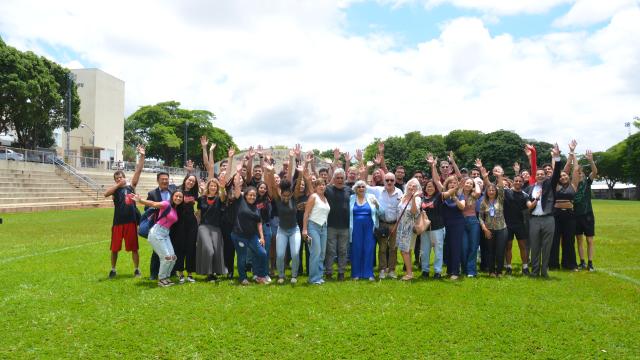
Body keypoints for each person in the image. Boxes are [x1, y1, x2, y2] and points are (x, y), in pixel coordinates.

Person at [103, 145, 145, 279]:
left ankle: (137, 269)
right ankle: (113, 269)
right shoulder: (115, 190)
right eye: (116, 178)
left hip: (131, 222)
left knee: (134, 248)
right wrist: (117, 185)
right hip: (118, 223)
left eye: (120, 177)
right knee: (114, 248)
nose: (118, 179)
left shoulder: (131, 187)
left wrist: (142, 156)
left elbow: (138, 171)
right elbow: (105, 194)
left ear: (124, 177)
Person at [265, 157, 306, 284]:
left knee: (294, 254)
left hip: (294, 230)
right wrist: (271, 173)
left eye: (288, 195)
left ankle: (294, 275)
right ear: (281, 194)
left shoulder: (294, 199)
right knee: (280, 254)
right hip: (282, 231)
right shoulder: (277, 199)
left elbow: (298, 186)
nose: (286, 197)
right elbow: (272, 187)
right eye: (284, 195)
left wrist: (301, 174)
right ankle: (281, 275)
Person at [133, 190, 184, 287]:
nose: (178, 198)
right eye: (176, 196)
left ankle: (166, 277)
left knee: (173, 257)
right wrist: (140, 200)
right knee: (166, 257)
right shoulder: (166, 204)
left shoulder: (175, 209)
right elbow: (153, 203)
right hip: (157, 232)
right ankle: (161, 279)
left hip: (165, 233)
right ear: (172, 196)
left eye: (180, 197)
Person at [527, 143, 562, 278]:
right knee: (535, 247)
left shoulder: (550, 184)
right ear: (535, 176)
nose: (540, 175)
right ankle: (535, 271)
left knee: (547, 247)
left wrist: (557, 158)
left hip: (548, 219)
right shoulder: (530, 188)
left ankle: (544, 271)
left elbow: (557, 172)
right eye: (538, 174)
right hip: (534, 219)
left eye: (542, 174)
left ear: (545, 175)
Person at [230, 165, 269, 285]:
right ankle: (243, 278)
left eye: (254, 195)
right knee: (242, 257)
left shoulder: (256, 207)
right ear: (245, 195)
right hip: (239, 235)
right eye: (250, 195)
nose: (252, 197)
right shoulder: (239, 201)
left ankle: (260, 276)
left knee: (262, 253)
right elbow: (237, 187)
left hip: (252, 236)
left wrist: (261, 237)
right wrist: (238, 173)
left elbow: (259, 222)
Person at [550, 140, 580, 271]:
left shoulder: (573, 185)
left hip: (570, 216)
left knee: (569, 241)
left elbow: (576, 169)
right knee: (554, 241)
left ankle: (570, 264)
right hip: (556, 215)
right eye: (560, 176)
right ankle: (553, 265)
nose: (562, 177)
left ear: (568, 176)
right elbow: (555, 170)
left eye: (565, 175)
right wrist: (554, 156)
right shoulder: (556, 186)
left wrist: (572, 152)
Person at [366, 172, 403, 279]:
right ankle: (382, 269)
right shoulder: (377, 190)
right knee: (382, 248)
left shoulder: (399, 192)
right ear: (384, 181)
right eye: (387, 180)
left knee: (393, 248)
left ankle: (391, 270)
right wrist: (366, 170)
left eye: (392, 180)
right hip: (382, 224)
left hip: (395, 224)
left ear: (395, 181)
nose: (389, 182)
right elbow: (365, 185)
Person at [324, 167, 354, 281]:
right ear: (334, 178)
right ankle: (329, 272)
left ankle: (341, 272)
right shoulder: (328, 189)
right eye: (337, 178)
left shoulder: (349, 190)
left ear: (344, 178)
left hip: (345, 226)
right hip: (331, 225)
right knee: (330, 251)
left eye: (342, 178)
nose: (340, 180)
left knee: (343, 251)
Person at [195, 176, 228, 281]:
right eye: (211, 185)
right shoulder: (201, 199)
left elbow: (223, 197)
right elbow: (199, 214)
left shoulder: (219, 198)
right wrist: (197, 228)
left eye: (215, 186)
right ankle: (208, 272)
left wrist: (222, 188)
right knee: (209, 250)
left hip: (216, 227)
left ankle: (213, 273)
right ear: (208, 187)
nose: (213, 187)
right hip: (203, 227)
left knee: (217, 250)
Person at [349, 180, 383, 281]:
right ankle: (356, 273)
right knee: (356, 249)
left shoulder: (371, 197)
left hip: (369, 227)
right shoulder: (351, 198)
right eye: (359, 187)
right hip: (355, 227)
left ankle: (368, 273)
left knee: (369, 249)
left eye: (363, 187)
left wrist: (377, 204)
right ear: (355, 188)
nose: (361, 189)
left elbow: (381, 212)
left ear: (366, 188)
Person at [147, 171, 177, 280]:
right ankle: (154, 273)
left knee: (171, 250)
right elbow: (148, 209)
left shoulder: (173, 191)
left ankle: (170, 272)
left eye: (166, 179)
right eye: (162, 179)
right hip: (159, 225)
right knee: (157, 252)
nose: (165, 181)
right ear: (158, 181)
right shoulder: (152, 194)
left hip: (172, 226)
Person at [479, 166, 508, 277]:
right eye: (489, 190)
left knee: (500, 251)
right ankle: (491, 271)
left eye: (493, 190)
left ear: (496, 192)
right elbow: (480, 217)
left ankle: (499, 271)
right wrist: (485, 229)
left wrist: (500, 176)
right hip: (489, 230)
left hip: (501, 229)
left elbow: (500, 187)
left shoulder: (500, 199)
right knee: (490, 251)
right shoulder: (483, 203)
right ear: (487, 192)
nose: (491, 191)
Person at [420, 154, 446, 279]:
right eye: (428, 187)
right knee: (424, 251)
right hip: (424, 229)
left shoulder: (439, 197)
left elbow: (436, 180)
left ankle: (437, 271)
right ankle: (425, 270)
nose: (430, 188)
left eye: (432, 186)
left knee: (438, 251)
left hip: (437, 228)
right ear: (425, 188)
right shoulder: (422, 198)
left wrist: (433, 166)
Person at [302, 177, 331, 285]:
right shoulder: (313, 197)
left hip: (324, 227)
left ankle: (319, 276)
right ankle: (313, 278)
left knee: (322, 254)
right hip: (313, 227)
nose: (322, 186)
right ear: (315, 187)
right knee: (316, 252)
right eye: (319, 184)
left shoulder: (325, 198)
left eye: (323, 184)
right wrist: (304, 229)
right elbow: (306, 213)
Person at [172, 173, 199, 283]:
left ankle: (190, 273)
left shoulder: (194, 193)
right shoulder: (178, 190)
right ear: (185, 180)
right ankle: (180, 273)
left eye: (193, 181)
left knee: (191, 248)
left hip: (191, 223)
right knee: (180, 248)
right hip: (179, 223)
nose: (191, 182)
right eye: (189, 180)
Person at [503, 172, 531, 275]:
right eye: (516, 181)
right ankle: (509, 267)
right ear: (513, 182)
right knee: (508, 246)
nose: (518, 182)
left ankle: (525, 267)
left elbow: (529, 206)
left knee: (523, 246)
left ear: (523, 183)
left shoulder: (525, 195)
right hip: (508, 224)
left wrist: (536, 199)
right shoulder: (506, 192)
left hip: (520, 224)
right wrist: (500, 175)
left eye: (520, 181)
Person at [574, 149, 598, 271]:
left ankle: (590, 263)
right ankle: (582, 262)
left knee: (589, 240)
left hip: (588, 214)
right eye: (578, 174)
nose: (580, 175)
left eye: (581, 174)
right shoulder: (573, 185)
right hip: (576, 215)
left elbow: (594, 171)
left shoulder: (587, 182)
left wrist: (591, 161)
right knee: (579, 239)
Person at [395, 178, 422, 281]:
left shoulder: (417, 198)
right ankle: (409, 271)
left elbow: (414, 212)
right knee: (406, 250)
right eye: (410, 185)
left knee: (404, 251)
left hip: (409, 228)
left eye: (414, 186)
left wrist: (414, 198)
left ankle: (409, 273)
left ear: (417, 188)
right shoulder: (403, 196)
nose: (411, 187)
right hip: (401, 227)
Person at [441, 176, 465, 280]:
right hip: (445, 224)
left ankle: (455, 271)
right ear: (446, 185)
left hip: (457, 224)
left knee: (455, 247)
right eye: (450, 183)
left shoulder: (460, 196)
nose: (452, 184)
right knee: (447, 248)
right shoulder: (443, 196)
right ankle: (449, 270)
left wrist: (455, 197)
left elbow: (462, 207)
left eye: (454, 183)